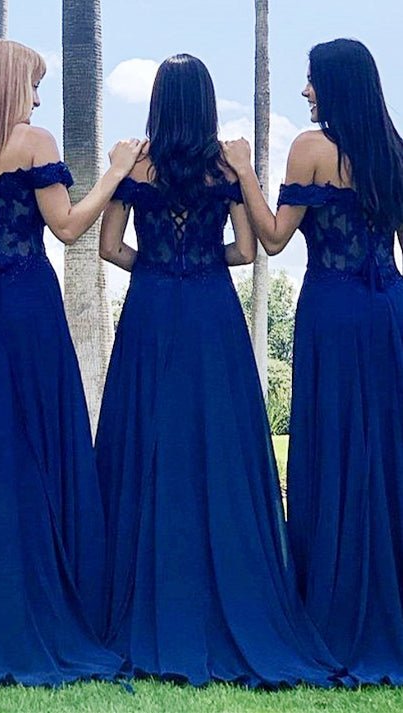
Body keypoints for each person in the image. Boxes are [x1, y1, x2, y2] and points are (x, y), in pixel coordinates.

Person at [96, 53, 348, 688]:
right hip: (213, 313)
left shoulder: (136, 167)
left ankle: (141, 593)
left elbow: (108, 248)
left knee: (148, 441)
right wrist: (201, 264)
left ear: (158, 102)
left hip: (151, 312)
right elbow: (245, 248)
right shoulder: (224, 168)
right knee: (217, 445)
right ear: (206, 104)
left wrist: (157, 269)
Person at [0, 38, 143, 688]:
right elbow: (69, 228)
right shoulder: (35, 143)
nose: (39, 98)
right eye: (34, 84)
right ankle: (37, 600)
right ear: (9, 85)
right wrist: (116, 171)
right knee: (32, 450)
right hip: (26, 314)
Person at [223, 38, 403, 682]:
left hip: (331, 313)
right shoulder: (394, 151)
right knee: (386, 446)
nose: (305, 91)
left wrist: (244, 171)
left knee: (332, 444)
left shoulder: (311, 148)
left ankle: (333, 602)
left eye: (312, 81)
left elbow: (273, 238)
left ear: (334, 85)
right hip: (387, 312)